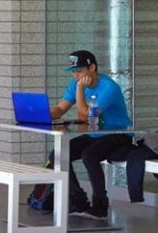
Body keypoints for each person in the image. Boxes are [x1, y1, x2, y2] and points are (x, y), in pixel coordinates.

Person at [49, 49, 131, 219]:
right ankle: (78, 201)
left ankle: (100, 205)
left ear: (92, 67)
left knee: (89, 155)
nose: (75, 76)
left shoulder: (109, 87)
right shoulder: (75, 84)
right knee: (57, 154)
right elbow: (60, 109)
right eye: (73, 72)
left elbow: (85, 115)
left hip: (119, 133)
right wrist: (41, 113)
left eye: (78, 71)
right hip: (95, 134)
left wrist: (79, 89)